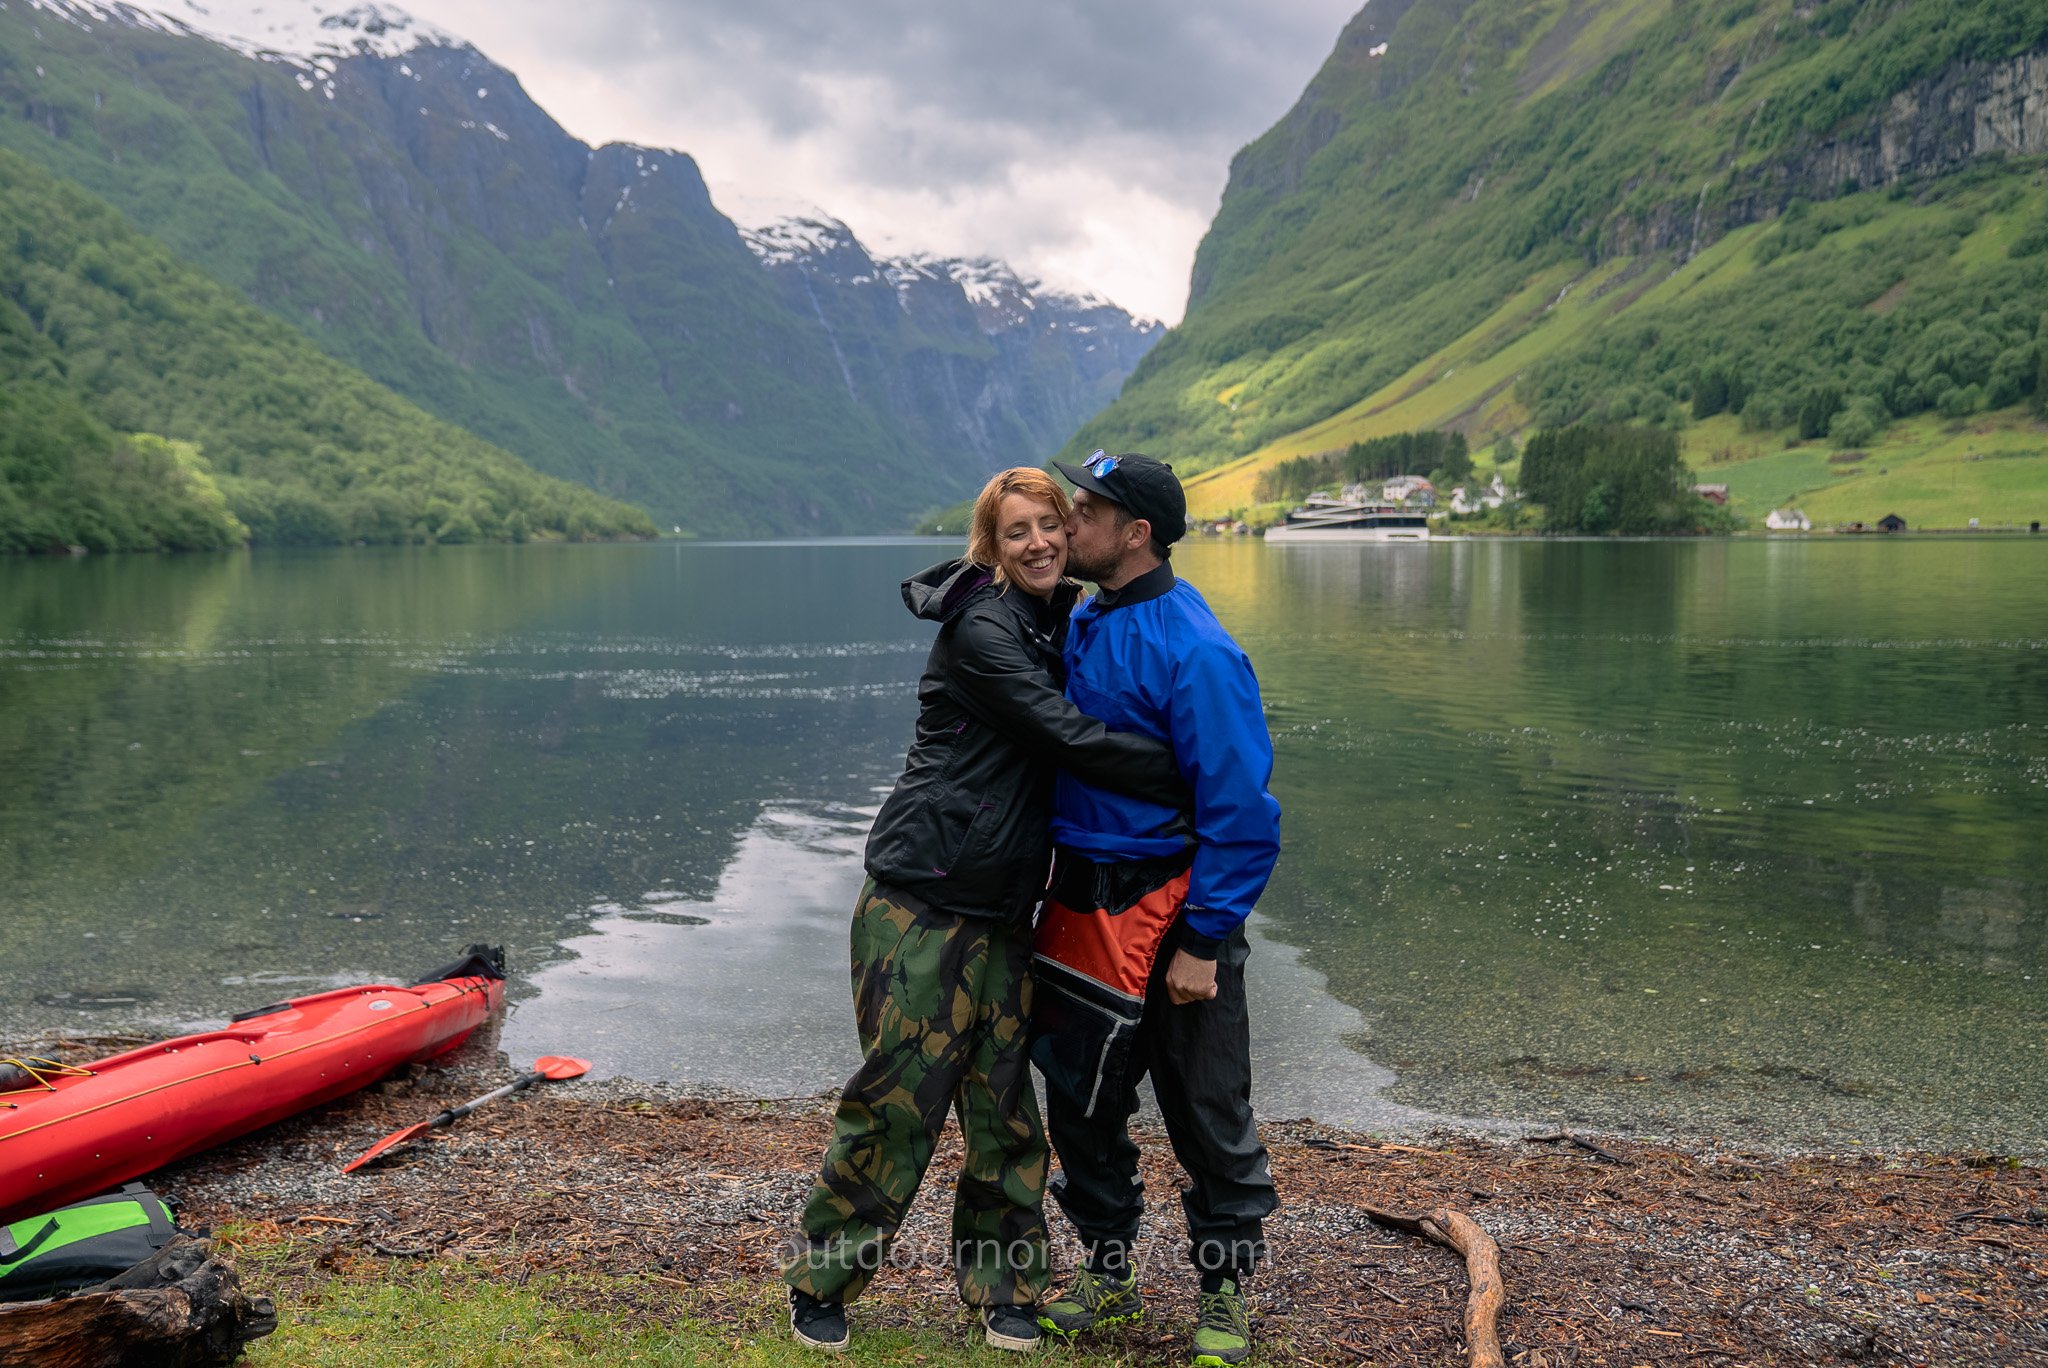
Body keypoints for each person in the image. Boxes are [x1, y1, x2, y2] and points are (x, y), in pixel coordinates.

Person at [781, 467, 1189, 1355]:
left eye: (1051, 524)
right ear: (989, 546)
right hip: (922, 901)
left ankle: (1004, 1289)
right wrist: (1190, 772)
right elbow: (1065, 735)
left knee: (1004, 1111)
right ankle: (822, 1282)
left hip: (1006, 910)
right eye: (1018, 532)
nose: (1040, 541)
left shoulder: (1063, 618)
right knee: (898, 1102)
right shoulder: (983, 629)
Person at [1029, 451, 1282, 1368]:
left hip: (1176, 915)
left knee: (1207, 1111)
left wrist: (1206, 941)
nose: (1068, 523)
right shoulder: (1086, 622)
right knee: (1080, 1103)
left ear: (1135, 533)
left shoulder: (1200, 652)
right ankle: (1108, 1270)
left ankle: (1222, 1295)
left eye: (1086, 512)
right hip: (1080, 908)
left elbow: (1245, 815)